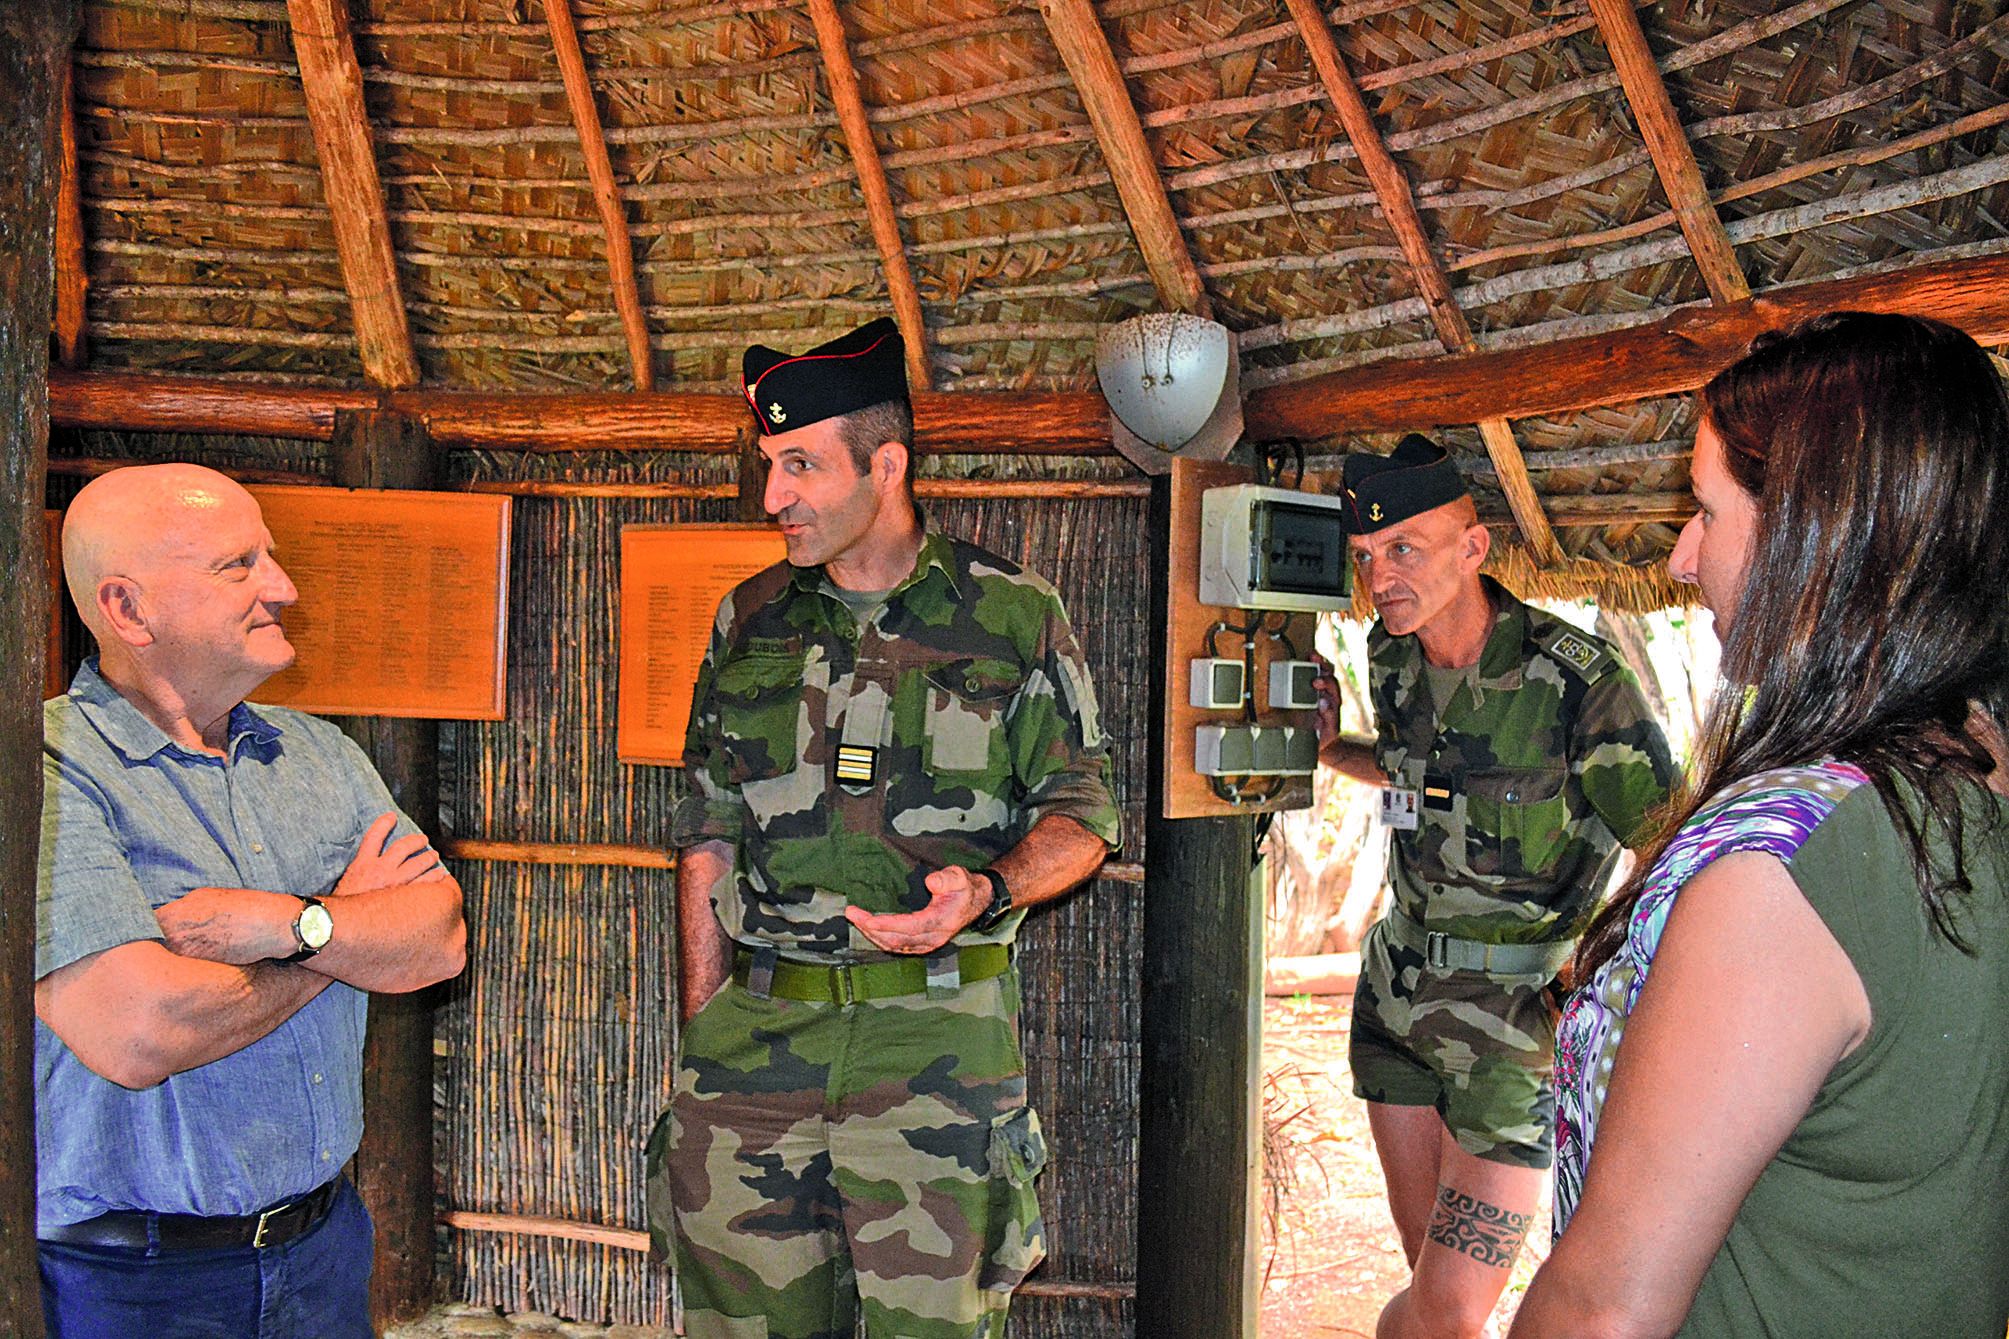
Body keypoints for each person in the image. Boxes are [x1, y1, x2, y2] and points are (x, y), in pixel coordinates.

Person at [1510, 312, 2009, 1338]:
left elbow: (1603, 1309)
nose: (1681, 560)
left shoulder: (1781, 871)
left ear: (1811, 536)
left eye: (1703, 511)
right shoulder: (1979, 773)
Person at [647, 317, 1121, 1339]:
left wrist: (986, 890)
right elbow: (707, 832)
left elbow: (1084, 813)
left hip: (935, 1052)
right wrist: (705, 1034)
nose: (773, 494)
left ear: (886, 463)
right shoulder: (749, 619)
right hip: (753, 1050)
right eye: (769, 465)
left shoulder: (1008, 615)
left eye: (800, 466)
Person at [33, 464, 467, 1339]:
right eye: (240, 565)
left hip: (324, 1249)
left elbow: (439, 938)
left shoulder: (320, 754)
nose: (285, 587)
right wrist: (342, 931)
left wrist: (281, 925)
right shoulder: (44, 766)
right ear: (128, 608)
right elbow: (137, 1030)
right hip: (128, 1281)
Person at [1312, 435, 1675, 1339]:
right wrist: (1328, 748)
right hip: (1394, 1001)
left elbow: (1673, 855)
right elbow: (1421, 777)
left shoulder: (1572, 682)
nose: (1381, 576)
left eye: (1404, 550)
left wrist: (1587, 978)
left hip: (1511, 1024)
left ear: (1473, 548)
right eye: (1365, 557)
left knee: (1440, 1313)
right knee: (1434, 1292)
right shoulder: (1389, 659)